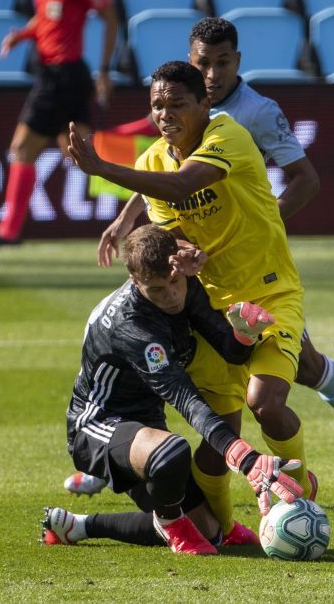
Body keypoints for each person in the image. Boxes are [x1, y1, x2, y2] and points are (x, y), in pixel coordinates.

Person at [87, 18, 334, 503]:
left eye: (222, 64)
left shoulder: (252, 115)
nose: (213, 74)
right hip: (212, 293)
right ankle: (124, 464)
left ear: (236, 63)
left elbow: (305, 178)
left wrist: (262, 222)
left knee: (279, 388)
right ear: (191, 64)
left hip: (263, 278)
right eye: (204, 63)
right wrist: (136, 222)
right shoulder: (169, 124)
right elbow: (164, 185)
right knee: (290, 376)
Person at [68, 60, 322, 538]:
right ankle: (225, 529)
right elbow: (173, 226)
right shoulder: (151, 161)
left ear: (206, 104)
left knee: (264, 402)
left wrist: (102, 169)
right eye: (157, 106)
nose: (165, 115)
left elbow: (185, 185)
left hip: (269, 292)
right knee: (214, 440)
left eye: (178, 104)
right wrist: (180, 250)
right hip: (209, 308)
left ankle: (299, 487)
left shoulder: (227, 136)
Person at [43, 224, 302, 554]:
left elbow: (229, 351)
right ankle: (169, 522)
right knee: (173, 452)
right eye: (157, 290)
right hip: (97, 426)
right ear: (136, 282)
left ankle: (78, 526)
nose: (171, 296)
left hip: (145, 426)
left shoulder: (187, 285)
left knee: (208, 534)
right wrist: (245, 457)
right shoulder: (132, 324)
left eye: (174, 282)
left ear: (178, 267)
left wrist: (244, 335)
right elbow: (183, 395)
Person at [0, 0, 117, 246]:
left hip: (62, 76)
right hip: (58, 73)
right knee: (77, 153)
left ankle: (8, 233)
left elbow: (110, 17)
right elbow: (45, 16)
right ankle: (151, 188)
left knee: (22, 148)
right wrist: (23, 35)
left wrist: (103, 69)